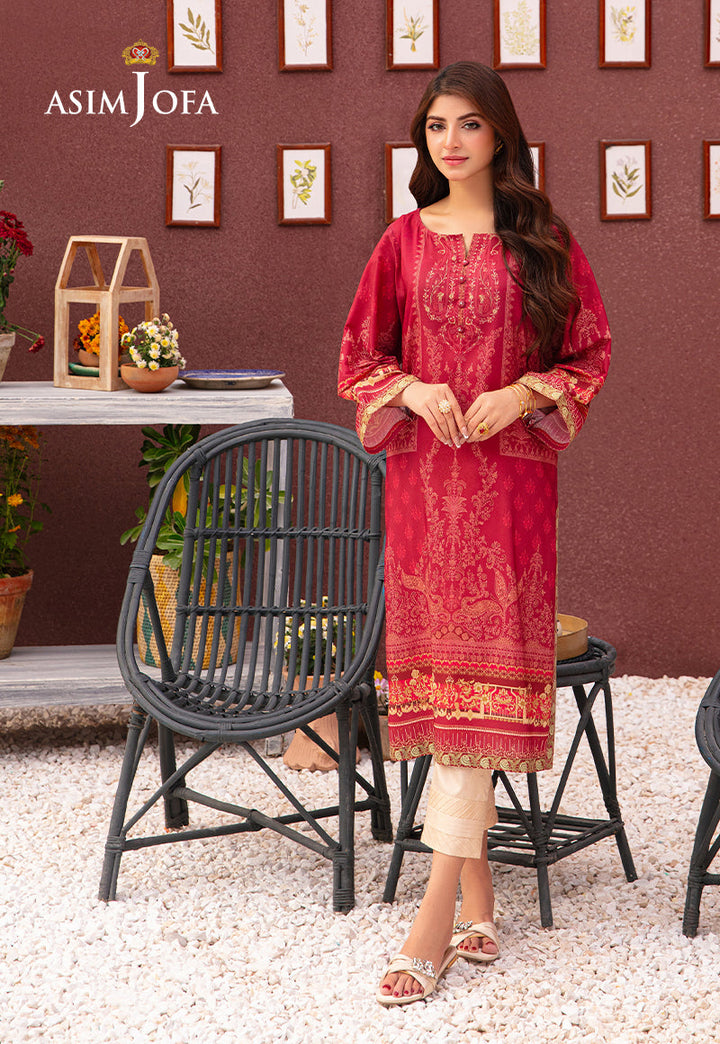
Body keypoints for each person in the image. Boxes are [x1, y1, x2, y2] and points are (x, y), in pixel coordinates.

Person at [337, 61, 611, 1007]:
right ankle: (479, 902)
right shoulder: (402, 241)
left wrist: (522, 393)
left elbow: (589, 352)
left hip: (512, 499)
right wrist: (413, 389)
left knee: (481, 692)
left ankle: (431, 926)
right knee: (453, 702)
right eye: (435, 126)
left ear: (500, 134)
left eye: (468, 124)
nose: (450, 142)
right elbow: (359, 356)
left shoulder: (544, 241)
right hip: (423, 491)